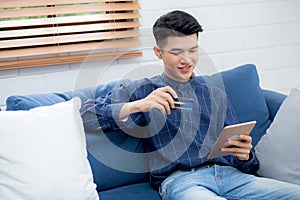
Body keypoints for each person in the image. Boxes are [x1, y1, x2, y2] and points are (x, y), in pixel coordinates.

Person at [80, 10, 300, 200]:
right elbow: (84, 114)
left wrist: (246, 155)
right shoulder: (143, 90)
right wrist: (137, 106)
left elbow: (245, 161)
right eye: (177, 52)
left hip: (231, 176)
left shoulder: (215, 94)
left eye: (193, 50)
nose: (187, 59)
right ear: (159, 52)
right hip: (182, 180)